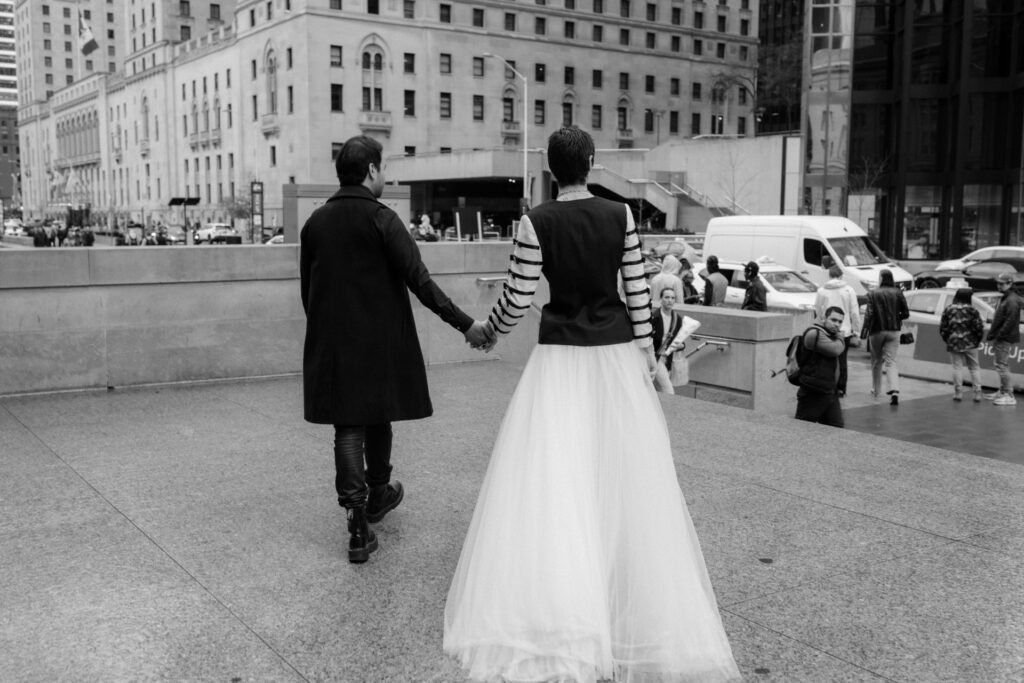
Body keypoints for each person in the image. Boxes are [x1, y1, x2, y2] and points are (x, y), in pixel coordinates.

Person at [444, 127, 740, 683]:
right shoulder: (620, 215)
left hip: (559, 357)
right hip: (613, 355)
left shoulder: (535, 221)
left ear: (552, 169)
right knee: (623, 471)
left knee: (557, 474)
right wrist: (647, 354)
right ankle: (621, 588)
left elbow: (518, 295)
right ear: (591, 163)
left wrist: (489, 332)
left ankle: (565, 603)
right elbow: (637, 292)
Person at [300, 135, 493, 564]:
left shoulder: (315, 224)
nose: (383, 174)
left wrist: (329, 334)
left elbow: (307, 291)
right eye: (383, 167)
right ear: (371, 170)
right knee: (377, 413)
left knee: (348, 425)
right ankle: (378, 492)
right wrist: (467, 325)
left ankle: (357, 523)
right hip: (379, 342)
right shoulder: (383, 219)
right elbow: (420, 282)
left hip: (334, 342)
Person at [860, 268, 909, 405]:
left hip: (877, 331)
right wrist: (896, 318)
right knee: (891, 361)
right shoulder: (898, 292)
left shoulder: (873, 293)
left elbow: (869, 315)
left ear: (881, 279)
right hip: (894, 331)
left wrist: (864, 333)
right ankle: (894, 391)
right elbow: (906, 313)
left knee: (876, 361)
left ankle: (876, 390)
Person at [814, 264, 862, 396]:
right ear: (841, 276)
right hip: (844, 330)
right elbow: (854, 312)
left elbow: (817, 309)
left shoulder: (822, 290)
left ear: (829, 275)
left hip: (826, 329)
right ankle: (841, 388)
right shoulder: (849, 290)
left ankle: (828, 385)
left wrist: (822, 322)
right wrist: (856, 331)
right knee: (842, 360)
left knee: (826, 358)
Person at [795, 306, 847, 427]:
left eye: (840, 322)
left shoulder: (829, 335)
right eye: (833, 320)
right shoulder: (814, 333)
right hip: (812, 392)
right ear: (824, 318)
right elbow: (835, 350)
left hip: (829, 391)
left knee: (836, 428)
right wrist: (841, 337)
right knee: (802, 429)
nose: (837, 324)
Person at [939, 288, 985, 402]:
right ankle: (977, 393)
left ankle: (958, 393)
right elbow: (979, 328)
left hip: (954, 342)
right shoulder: (973, 310)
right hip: (971, 343)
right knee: (974, 368)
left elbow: (943, 328)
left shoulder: (949, 309)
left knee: (957, 368)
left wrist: (948, 339)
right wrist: (977, 340)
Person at [984, 271, 1022, 406]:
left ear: (1010, 284)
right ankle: (1003, 391)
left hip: (1004, 337)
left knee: (1001, 365)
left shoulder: (1011, 300)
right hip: (1003, 336)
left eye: (1002, 284)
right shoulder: (1007, 297)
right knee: (1001, 365)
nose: (999, 286)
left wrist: (999, 335)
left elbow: (1010, 321)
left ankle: (1009, 395)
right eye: (998, 283)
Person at [651, 287, 684, 394]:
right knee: (668, 391)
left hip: (668, 359)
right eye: (667, 297)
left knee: (656, 391)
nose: (670, 300)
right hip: (655, 359)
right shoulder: (654, 317)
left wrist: (681, 346)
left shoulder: (677, 318)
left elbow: (680, 339)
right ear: (661, 299)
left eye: (673, 298)